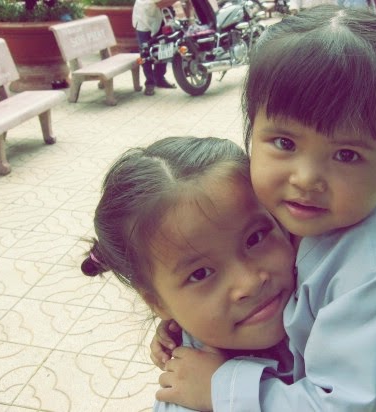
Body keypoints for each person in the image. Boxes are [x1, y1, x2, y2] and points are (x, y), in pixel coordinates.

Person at [153, 5, 376, 411]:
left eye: (346, 154)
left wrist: (220, 388)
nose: (306, 178)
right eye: (285, 143)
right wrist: (187, 325)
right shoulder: (281, 216)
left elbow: (338, 406)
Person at [80, 136, 297, 411]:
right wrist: (226, 390)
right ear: (158, 302)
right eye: (201, 273)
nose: (249, 283)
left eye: (255, 238)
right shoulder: (191, 401)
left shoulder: (327, 282)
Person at [132, 0, 184, 95]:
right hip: (143, 20)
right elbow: (161, 3)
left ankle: (160, 78)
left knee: (164, 47)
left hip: (156, 18)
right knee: (145, 52)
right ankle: (150, 83)